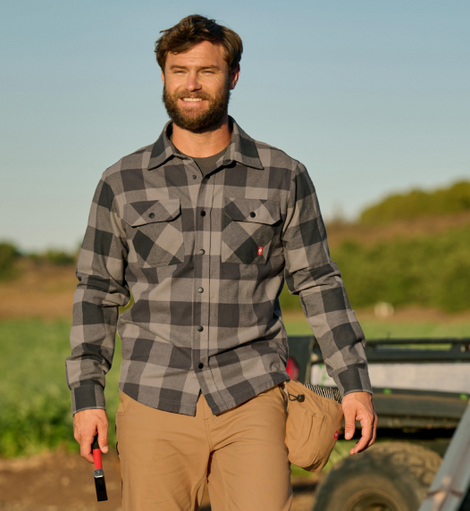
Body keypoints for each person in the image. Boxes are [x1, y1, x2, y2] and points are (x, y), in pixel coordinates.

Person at [67, 14, 376, 510]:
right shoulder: (121, 182)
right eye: (178, 71)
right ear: (164, 77)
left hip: (252, 396)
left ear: (232, 77)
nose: (191, 84)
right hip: (153, 399)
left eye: (206, 72)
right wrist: (87, 399)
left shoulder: (284, 176)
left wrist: (354, 385)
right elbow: (96, 294)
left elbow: (319, 283)